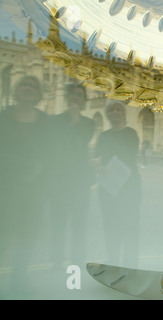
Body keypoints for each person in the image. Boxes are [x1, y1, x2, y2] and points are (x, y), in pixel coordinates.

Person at [0, 75, 52, 293]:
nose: (28, 88)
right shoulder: (3, 117)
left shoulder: (45, 121)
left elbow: (52, 153)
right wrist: (23, 165)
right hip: (6, 187)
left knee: (27, 235)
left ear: (39, 93)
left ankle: (19, 279)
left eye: (33, 86)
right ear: (16, 89)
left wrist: (41, 169)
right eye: (24, 84)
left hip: (34, 190)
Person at [47, 82, 95, 268]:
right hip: (58, 181)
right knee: (58, 224)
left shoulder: (89, 124)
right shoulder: (54, 121)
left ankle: (77, 261)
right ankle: (56, 262)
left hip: (80, 183)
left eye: (79, 95)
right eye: (73, 94)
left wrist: (75, 122)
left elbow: (79, 144)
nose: (75, 97)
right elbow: (56, 146)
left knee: (79, 225)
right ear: (67, 98)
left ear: (84, 102)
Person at [94, 100, 142, 267]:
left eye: (118, 110)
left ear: (123, 114)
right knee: (110, 224)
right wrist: (102, 162)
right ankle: (113, 260)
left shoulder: (131, 133)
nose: (114, 112)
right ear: (107, 115)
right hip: (108, 187)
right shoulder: (103, 136)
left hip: (129, 187)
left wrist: (105, 160)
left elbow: (128, 155)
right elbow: (98, 156)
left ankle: (130, 264)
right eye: (111, 110)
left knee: (130, 226)